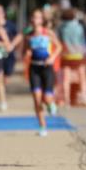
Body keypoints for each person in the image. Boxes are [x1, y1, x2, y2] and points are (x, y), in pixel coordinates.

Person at [22, 8, 63, 136]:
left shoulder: (48, 32)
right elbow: (27, 50)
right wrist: (27, 53)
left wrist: (52, 58)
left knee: (47, 98)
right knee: (36, 98)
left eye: (38, 17)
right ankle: (42, 127)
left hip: (47, 68)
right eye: (33, 17)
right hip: (34, 68)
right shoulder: (29, 35)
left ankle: (51, 104)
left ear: (42, 20)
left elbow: (59, 46)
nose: (35, 20)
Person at [57, 8, 86, 107]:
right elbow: (82, 41)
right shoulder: (79, 27)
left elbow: (59, 40)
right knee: (82, 77)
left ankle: (66, 100)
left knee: (66, 78)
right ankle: (84, 97)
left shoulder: (61, 27)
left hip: (66, 54)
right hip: (78, 54)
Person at [0, 4, 19, 108]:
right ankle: (2, 100)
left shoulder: (10, 25)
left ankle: (1, 91)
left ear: (3, 13)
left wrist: (12, 45)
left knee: (5, 79)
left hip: (9, 55)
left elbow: (18, 36)